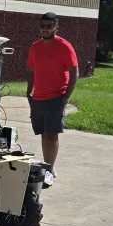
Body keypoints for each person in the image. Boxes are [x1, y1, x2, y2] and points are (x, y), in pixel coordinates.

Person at [26, 12, 79, 185]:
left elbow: (74, 72)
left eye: (49, 26)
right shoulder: (35, 47)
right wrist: (29, 91)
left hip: (56, 97)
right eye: (43, 26)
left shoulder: (64, 46)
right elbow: (31, 70)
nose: (45, 29)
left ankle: (49, 169)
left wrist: (66, 97)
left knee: (51, 134)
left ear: (57, 27)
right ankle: (46, 164)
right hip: (38, 98)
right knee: (43, 134)